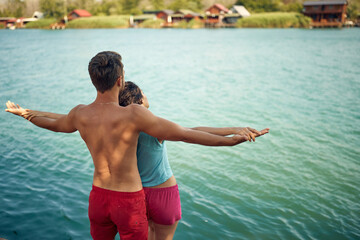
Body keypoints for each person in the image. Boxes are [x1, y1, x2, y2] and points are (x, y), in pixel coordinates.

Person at [5, 51, 269, 240]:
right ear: (120, 80)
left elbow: (54, 121)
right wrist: (231, 141)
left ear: (93, 80)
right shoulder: (133, 114)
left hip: (98, 196)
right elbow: (187, 134)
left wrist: (26, 113)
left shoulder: (80, 113)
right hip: (128, 200)